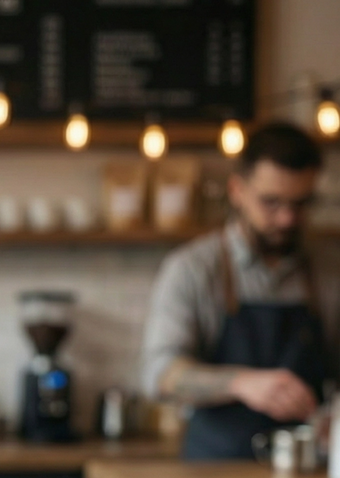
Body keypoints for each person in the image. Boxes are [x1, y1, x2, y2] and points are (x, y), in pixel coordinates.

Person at [141, 121, 340, 459]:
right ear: (237, 191)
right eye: (271, 202)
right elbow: (159, 374)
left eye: (301, 204)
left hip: (310, 472)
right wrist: (241, 382)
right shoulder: (194, 269)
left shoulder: (330, 270)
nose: (287, 219)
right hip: (215, 471)